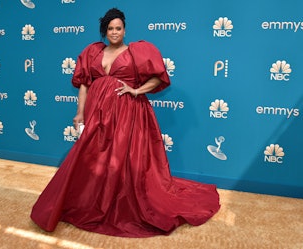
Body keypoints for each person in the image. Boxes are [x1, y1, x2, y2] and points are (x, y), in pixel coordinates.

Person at [30, 8, 220, 238]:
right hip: (97, 113)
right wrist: (80, 112)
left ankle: (119, 202)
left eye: (118, 28)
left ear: (124, 29)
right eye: (110, 28)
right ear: (105, 30)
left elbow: (159, 77)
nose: (114, 32)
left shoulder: (136, 52)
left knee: (124, 159)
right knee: (92, 158)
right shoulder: (92, 52)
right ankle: (89, 202)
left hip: (127, 113)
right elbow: (84, 85)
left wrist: (137, 90)